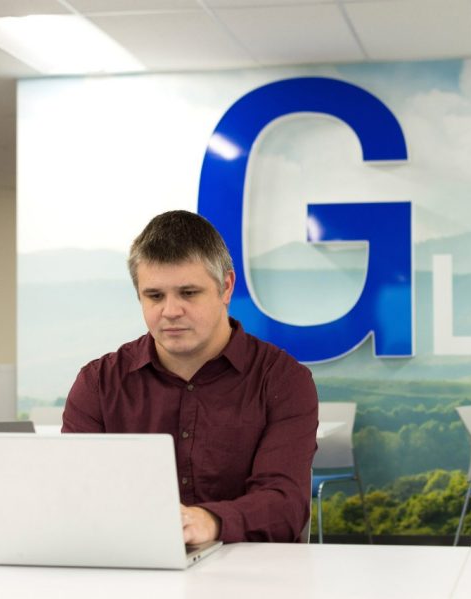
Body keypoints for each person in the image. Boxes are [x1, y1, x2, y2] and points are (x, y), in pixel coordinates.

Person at [62, 210, 318, 543]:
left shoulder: (283, 381)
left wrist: (210, 522)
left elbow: (285, 504)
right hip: (131, 567)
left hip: (252, 576)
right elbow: (74, 495)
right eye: (154, 296)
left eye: (188, 293)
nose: (170, 311)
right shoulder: (98, 384)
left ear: (225, 287)